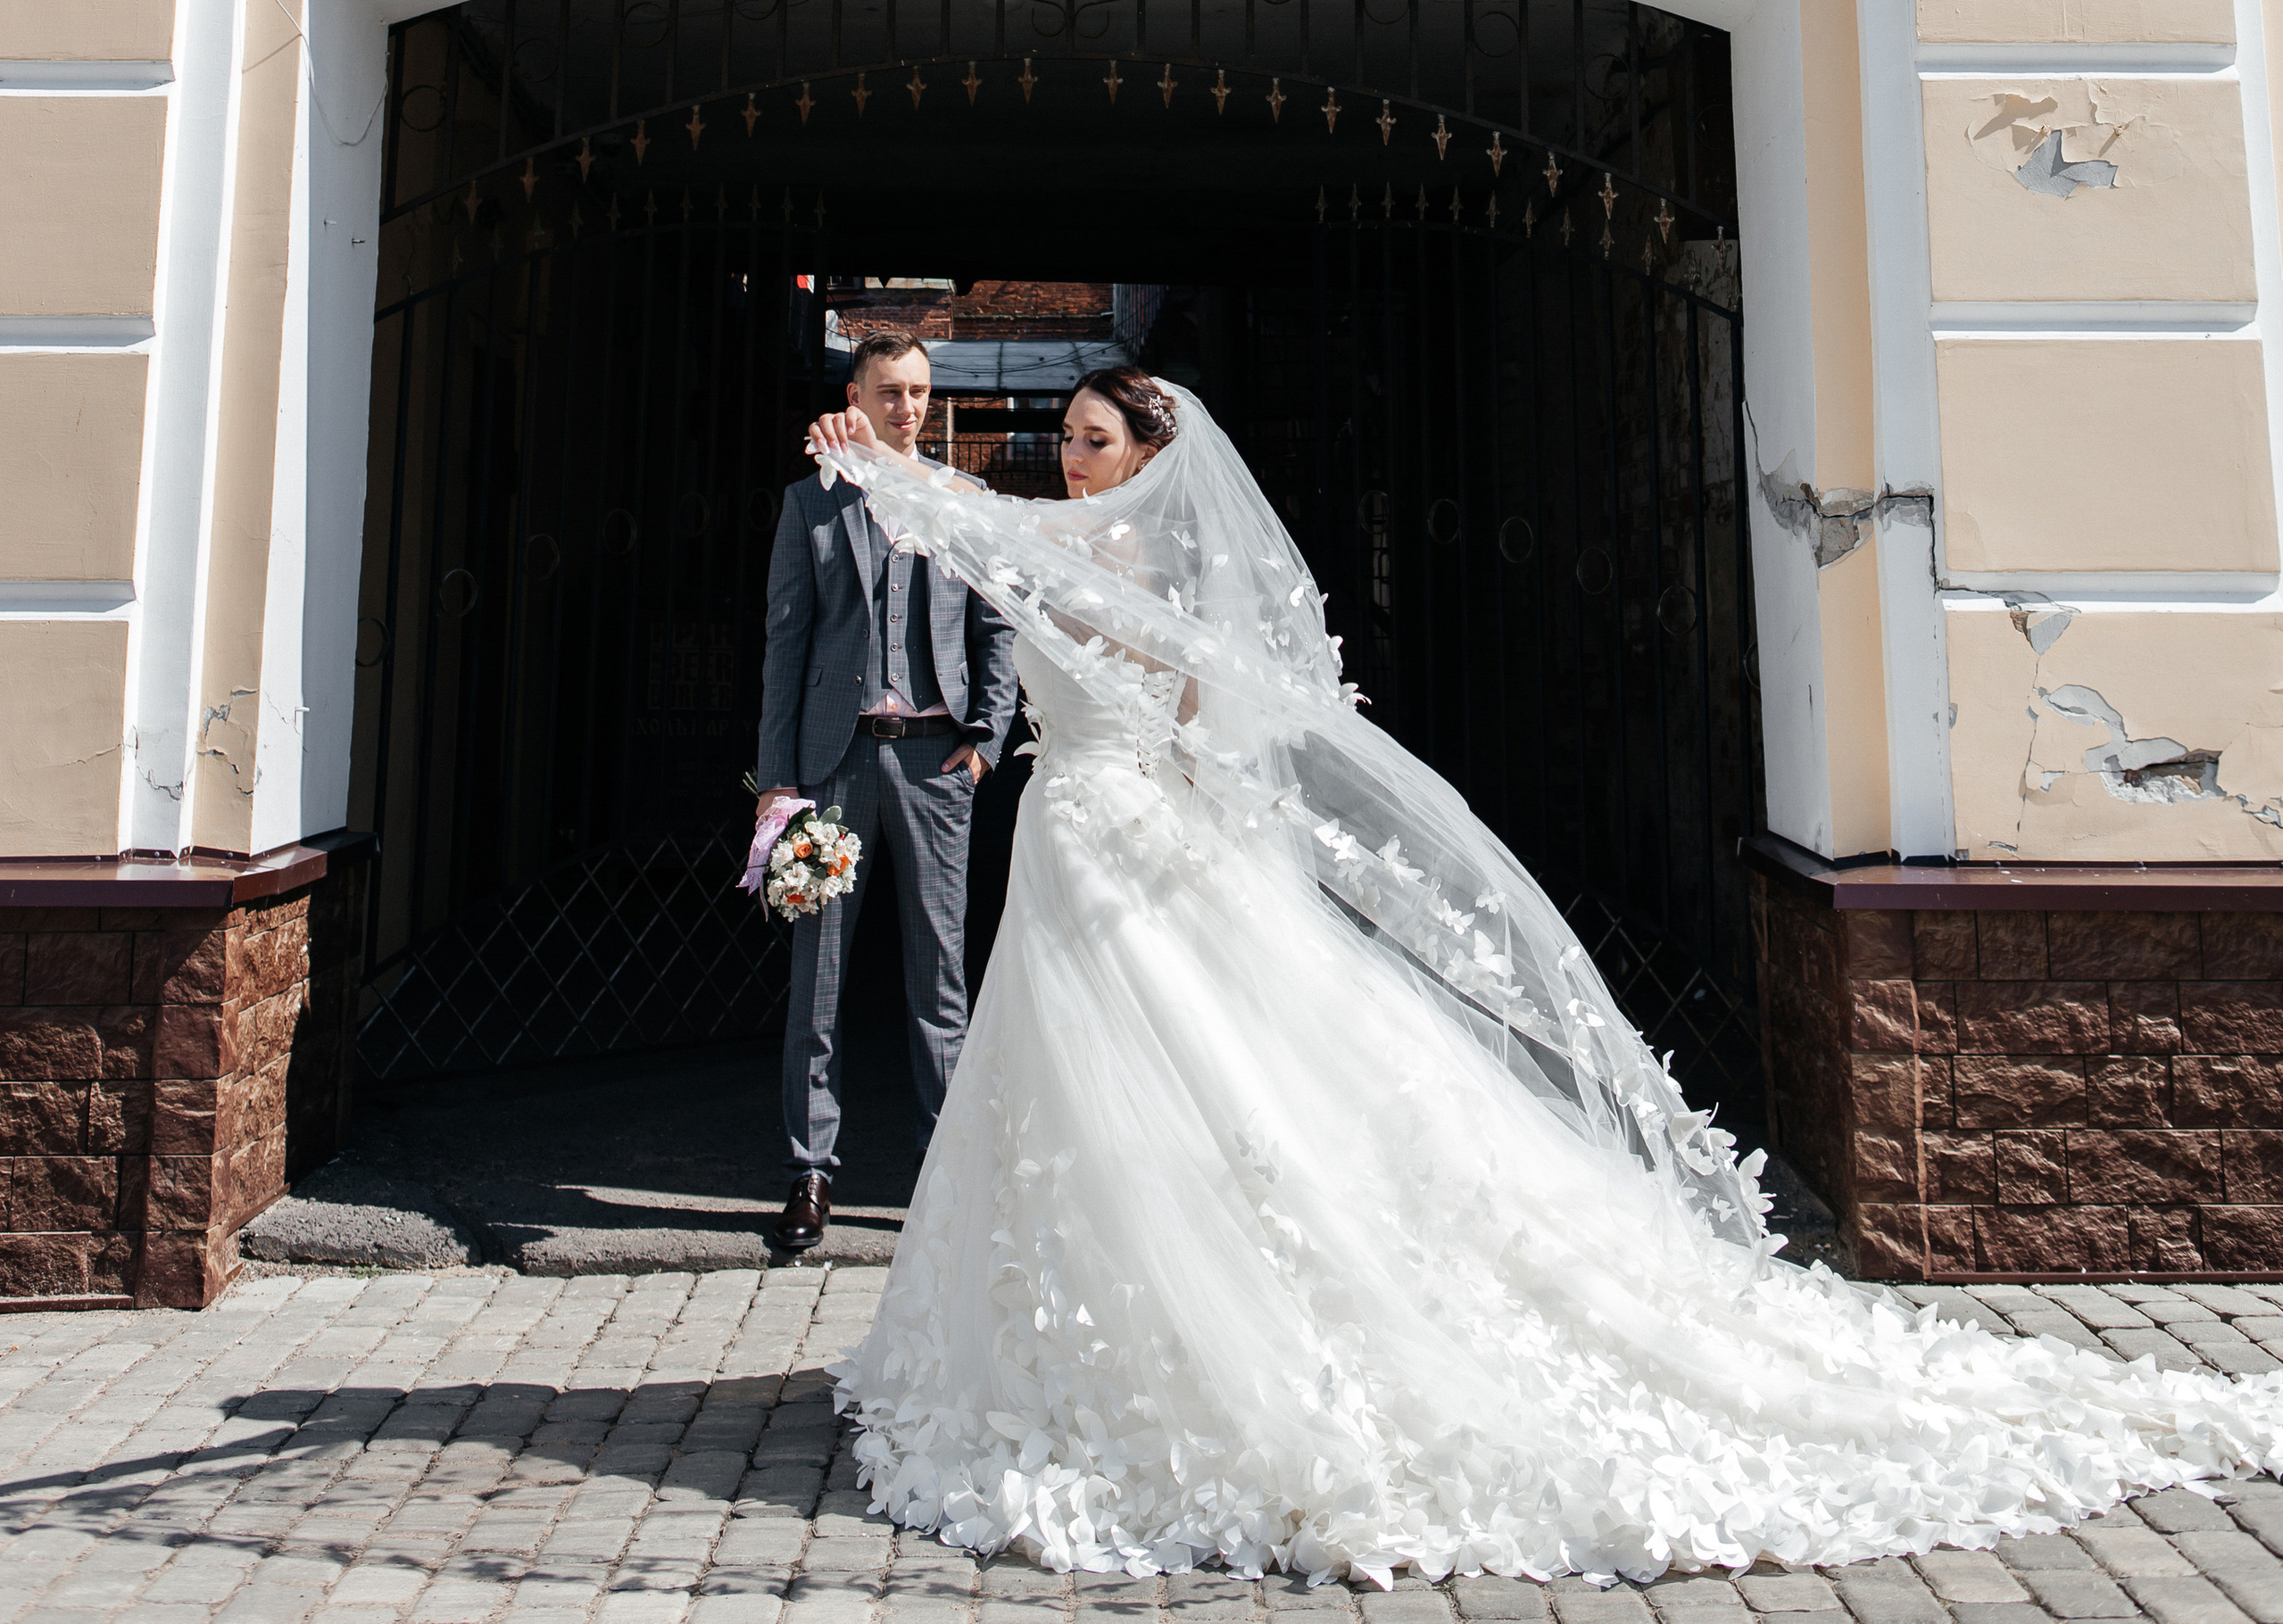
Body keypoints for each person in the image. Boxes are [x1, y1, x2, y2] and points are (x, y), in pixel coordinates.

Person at [803, 365, 2283, 1588]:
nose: (1072, 464)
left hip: (1132, 845)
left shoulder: (1146, 564)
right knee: (1068, 1089)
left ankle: (1207, 1350)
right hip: (1065, 838)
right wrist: (880, 463)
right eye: (1065, 442)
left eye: (1096, 442)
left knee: (1183, 1082)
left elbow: (1187, 704)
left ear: (1155, 455)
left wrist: (1193, 820)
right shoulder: (1057, 538)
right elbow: (969, 529)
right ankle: (1054, 1340)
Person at [754, 332, 1019, 1262]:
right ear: (854, 395)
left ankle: (942, 1171)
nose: (906, 407)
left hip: (936, 763)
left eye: (917, 392)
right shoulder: (813, 500)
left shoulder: (966, 501)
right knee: (817, 980)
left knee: (937, 973)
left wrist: (986, 739)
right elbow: (785, 645)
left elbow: (997, 627)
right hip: (834, 766)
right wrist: (778, 782)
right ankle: (810, 1174)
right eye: (887, 392)